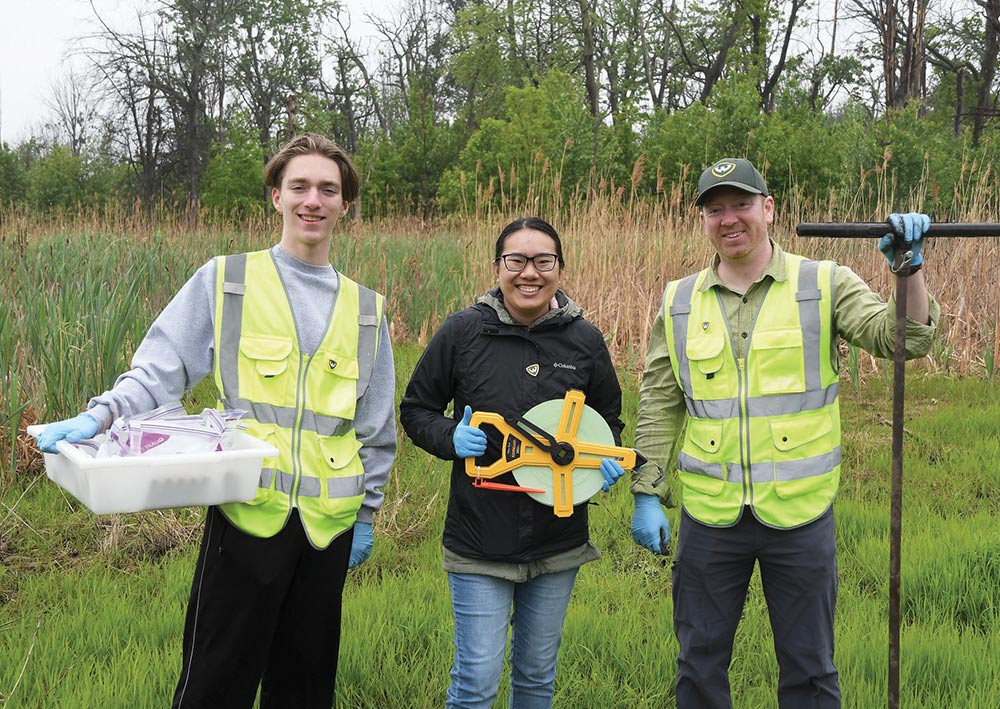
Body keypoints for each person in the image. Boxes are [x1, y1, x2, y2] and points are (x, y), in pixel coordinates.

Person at [33, 133, 396, 708]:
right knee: (215, 684)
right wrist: (98, 417)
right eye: (299, 186)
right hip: (246, 515)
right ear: (275, 196)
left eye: (329, 190)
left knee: (304, 689)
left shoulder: (369, 309)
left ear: (345, 205)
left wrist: (368, 513)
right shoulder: (228, 280)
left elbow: (375, 429)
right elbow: (160, 371)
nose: (313, 201)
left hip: (329, 530)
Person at [629, 157, 939, 708]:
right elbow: (659, 398)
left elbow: (904, 340)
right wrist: (646, 491)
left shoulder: (824, 282)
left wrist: (909, 270)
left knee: (810, 669)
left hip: (800, 515)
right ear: (703, 221)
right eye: (715, 209)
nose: (729, 219)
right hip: (709, 517)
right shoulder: (679, 300)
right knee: (697, 667)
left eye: (741, 204)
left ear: (768, 209)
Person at [399, 216, 628, 708]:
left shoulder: (584, 340)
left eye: (543, 261)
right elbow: (416, 410)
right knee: (477, 682)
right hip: (479, 539)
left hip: (558, 540)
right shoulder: (462, 332)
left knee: (536, 678)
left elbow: (609, 416)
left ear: (559, 269)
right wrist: (449, 437)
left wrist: (603, 461)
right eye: (517, 261)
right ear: (498, 267)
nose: (530, 273)